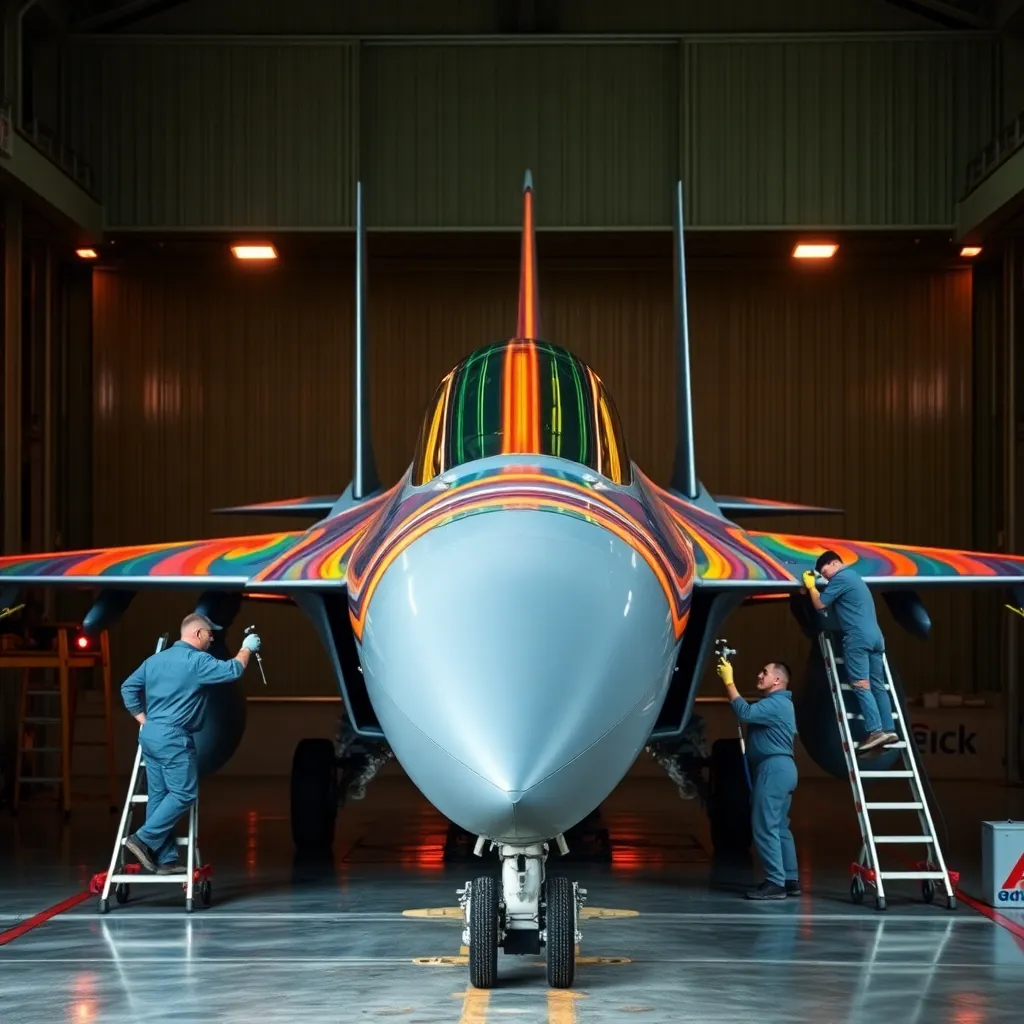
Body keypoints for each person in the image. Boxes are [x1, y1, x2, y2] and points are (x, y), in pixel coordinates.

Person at [119, 613, 261, 873]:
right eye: (209, 634)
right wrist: (247, 648)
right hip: (174, 738)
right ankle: (144, 838)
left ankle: (164, 858)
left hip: (150, 736)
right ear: (197, 634)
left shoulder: (154, 660)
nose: (212, 640)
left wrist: (143, 720)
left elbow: (127, 688)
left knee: (159, 795)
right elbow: (233, 670)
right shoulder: (197, 661)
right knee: (184, 793)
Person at [716, 655, 800, 901]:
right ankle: (790, 878)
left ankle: (775, 882)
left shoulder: (777, 704)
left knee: (764, 825)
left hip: (772, 769)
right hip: (783, 769)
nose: (759, 675)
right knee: (779, 826)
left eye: (765, 672)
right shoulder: (779, 704)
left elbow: (745, 712)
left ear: (777, 680)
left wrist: (729, 682)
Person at [802, 550, 897, 755]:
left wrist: (811, 587)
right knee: (878, 685)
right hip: (876, 637)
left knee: (861, 685)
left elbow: (820, 604)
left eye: (824, 572)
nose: (825, 577)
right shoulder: (856, 578)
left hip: (857, 637)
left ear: (834, 563)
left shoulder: (841, 578)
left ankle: (875, 731)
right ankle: (889, 729)